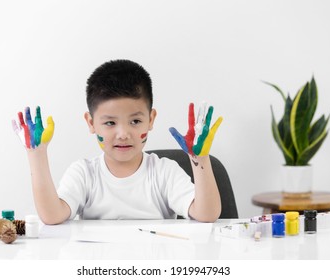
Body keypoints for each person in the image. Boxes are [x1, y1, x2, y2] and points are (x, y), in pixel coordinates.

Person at [13, 59, 222, 224]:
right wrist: (36, 153)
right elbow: (52, 216)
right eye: (110, 123)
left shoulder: (164, 172)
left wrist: (199, 158)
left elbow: (206, 215)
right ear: (91, 123)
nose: (123, 133)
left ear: (151, 120)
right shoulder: (84, 173)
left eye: (135, 121)